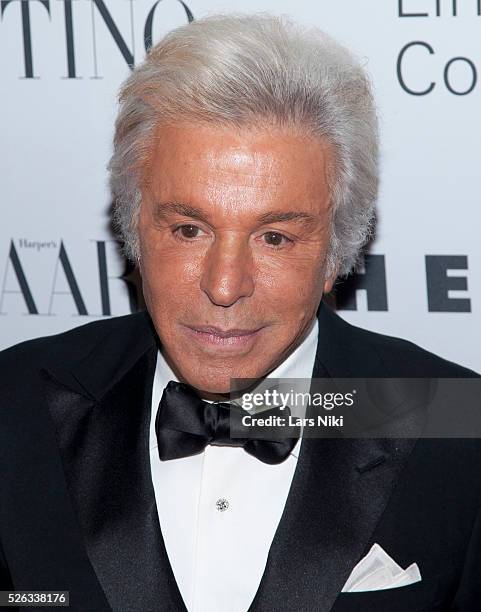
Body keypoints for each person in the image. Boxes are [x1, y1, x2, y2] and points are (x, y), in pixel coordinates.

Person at [0, 13, 480, 612]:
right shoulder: (14, 406)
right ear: (134, 229)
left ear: (337, 251)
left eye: (275, 237)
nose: (225, 286)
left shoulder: (458, 425)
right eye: (188, 228)